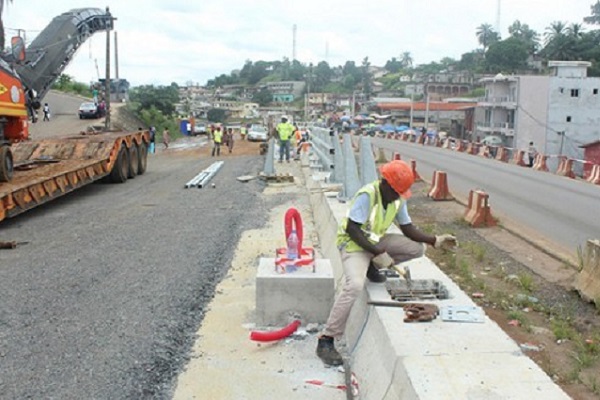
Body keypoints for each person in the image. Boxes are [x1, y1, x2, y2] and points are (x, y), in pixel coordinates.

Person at [315, 160, 457, 366]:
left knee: (417, 249)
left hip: (375, 243)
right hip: (354, 246)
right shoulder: (368, 195)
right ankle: (326, 339)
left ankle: (372, 267)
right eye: (396, 191)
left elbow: (408, 229)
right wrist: (377, 252)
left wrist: (434, 240)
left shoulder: (397, 199)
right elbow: (352, 229)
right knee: (354, 285)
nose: (399, 196)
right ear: (385, 184)